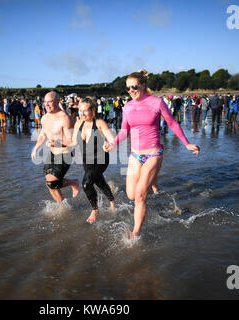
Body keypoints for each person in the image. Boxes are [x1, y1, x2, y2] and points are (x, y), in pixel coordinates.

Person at [104, 70, 200, 239]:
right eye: (128, 88)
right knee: (131, 195)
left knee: (140, 195)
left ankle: (135, 232)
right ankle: (153, 179)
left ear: (143, 85)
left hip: (153, 154)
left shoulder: (156, 102)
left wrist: (187, 143)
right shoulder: (127, 106)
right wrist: (113, 143)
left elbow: (172, 123)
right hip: (135, 155)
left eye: (134, 86)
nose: (131, 90)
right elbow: (124, 131)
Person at [60, 97, 116, 223]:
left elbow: (112, 139)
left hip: (101, 160)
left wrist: (110, 145)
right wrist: (58, 142)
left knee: (86, 183)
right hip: (87, 161)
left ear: (93, 110)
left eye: (85, 110)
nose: (82, 113)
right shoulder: (79, 123)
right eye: (80, 110)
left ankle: (95, 209)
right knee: (99, 182)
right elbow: (73, 142)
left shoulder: (100, 123)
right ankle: (112, 201)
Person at [31, 91, 79, 203]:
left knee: (52, 182)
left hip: (65, 153)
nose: (46, 104)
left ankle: (73, 182)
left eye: (50, 102)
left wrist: (56, 143)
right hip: (52, 153)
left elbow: (72, 141)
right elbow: (43, 135)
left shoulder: (65, 118)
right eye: (45, 102)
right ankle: (62, 205)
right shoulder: (44, 118)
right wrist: (36, 149)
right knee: (49, 184)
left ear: (58, 101)